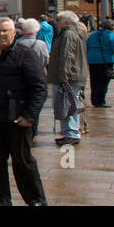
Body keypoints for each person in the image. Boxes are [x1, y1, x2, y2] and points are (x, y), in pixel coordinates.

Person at [0, 17, 48, 205]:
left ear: (14, 33)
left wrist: (30, 116)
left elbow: (39, 87)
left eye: (6, 31)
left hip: (18, 120)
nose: (1, 34)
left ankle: (36, 200)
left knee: (23, 163)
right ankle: (0, 201)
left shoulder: (25, 54)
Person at [48, 11, 88, 147]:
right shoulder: (73, 32)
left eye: (58, 20)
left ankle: (71, 133)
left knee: (66, 105)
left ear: (65, 22)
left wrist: (63, 78)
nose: (56, 22)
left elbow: (67, 56)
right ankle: (70, 132)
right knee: (68, 104)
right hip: (71, 76)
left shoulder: (68, 34)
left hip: (68, 78)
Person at [86, 19, 114, 107]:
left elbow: (87, 46)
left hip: (92, 60)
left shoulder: (93, 35)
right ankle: (100, 101)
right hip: (105, 60)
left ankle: (94, 100)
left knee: (94, 81)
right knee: (103, 82)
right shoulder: (111, 36)